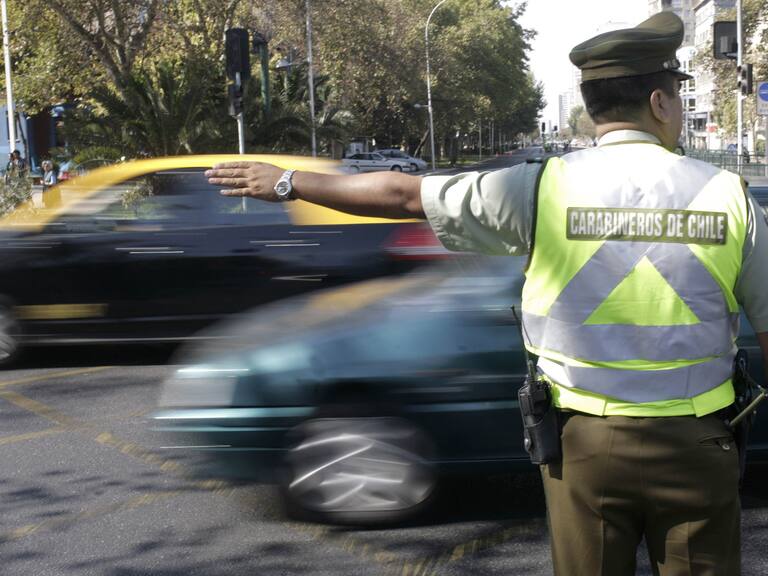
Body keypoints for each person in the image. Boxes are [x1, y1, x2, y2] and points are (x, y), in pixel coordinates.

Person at [206, 12, 768, 575]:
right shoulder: (730, 195)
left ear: (593, 105)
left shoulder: (541, 186)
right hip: (699, 444)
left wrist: (288, 182)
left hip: (586, 448)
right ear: (660, 103)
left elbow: (405, 195)